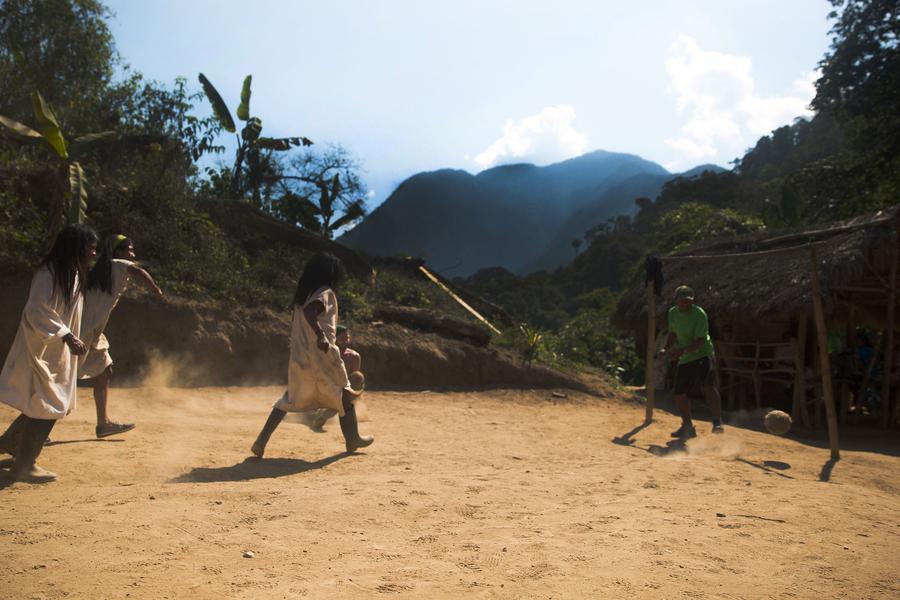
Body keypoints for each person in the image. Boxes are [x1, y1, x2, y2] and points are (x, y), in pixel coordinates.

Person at [0, 224, 98, 483]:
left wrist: (70, 338)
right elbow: (36, 309)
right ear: (76, 246)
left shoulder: (72, 273)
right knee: (49, 404)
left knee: (48, 403)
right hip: (41, 350)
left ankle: (10, 444)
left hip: (58, 352)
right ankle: (24, 464)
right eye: (90, 246)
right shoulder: (49, 273)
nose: (94, 252)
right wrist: (66, 335)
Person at [251, 253, 373, 457]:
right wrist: (321, 336)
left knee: (289, 397)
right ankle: (353, 439)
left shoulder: (302, 297)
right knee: (345, 393)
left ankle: (261, 441)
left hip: (302, 357)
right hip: (323, 356)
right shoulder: (325, 293)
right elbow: (311, 312)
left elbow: (305, 315)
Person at [80, 234, 164, 438]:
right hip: (84, 333)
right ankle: (29, 428)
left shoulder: (104, 270)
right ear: (118, 251)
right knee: (60, 380)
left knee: (104, 371)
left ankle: (103, 424)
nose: (132, 254)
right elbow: (139, 271)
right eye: (129, 249)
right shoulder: (118, 263)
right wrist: (155, 289)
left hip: (89, 331)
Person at [660, 285, 724, 438]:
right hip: (687, 356)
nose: (685, 304)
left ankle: (717, 421)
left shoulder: (699, 314)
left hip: (703, 354)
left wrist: (681, 351)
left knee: (708, 385)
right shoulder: (673, 313)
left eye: (688, 301)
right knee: (679, 393)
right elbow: (673, 333)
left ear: (692, 300)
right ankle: (688, 426)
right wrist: (665, 348)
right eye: (682, 301)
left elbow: (700, 341)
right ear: (676, 301)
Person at [305, 324, 365, 430]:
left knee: (358, 377)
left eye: (347, 338)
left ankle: (325, 414)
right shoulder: (326, 353)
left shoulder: (354, 356)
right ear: (335, 338)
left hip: (343, 390)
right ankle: (319, 413)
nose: (345, 341)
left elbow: (355, 379)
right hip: (325, 388)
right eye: (342, 338)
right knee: (303, 415)